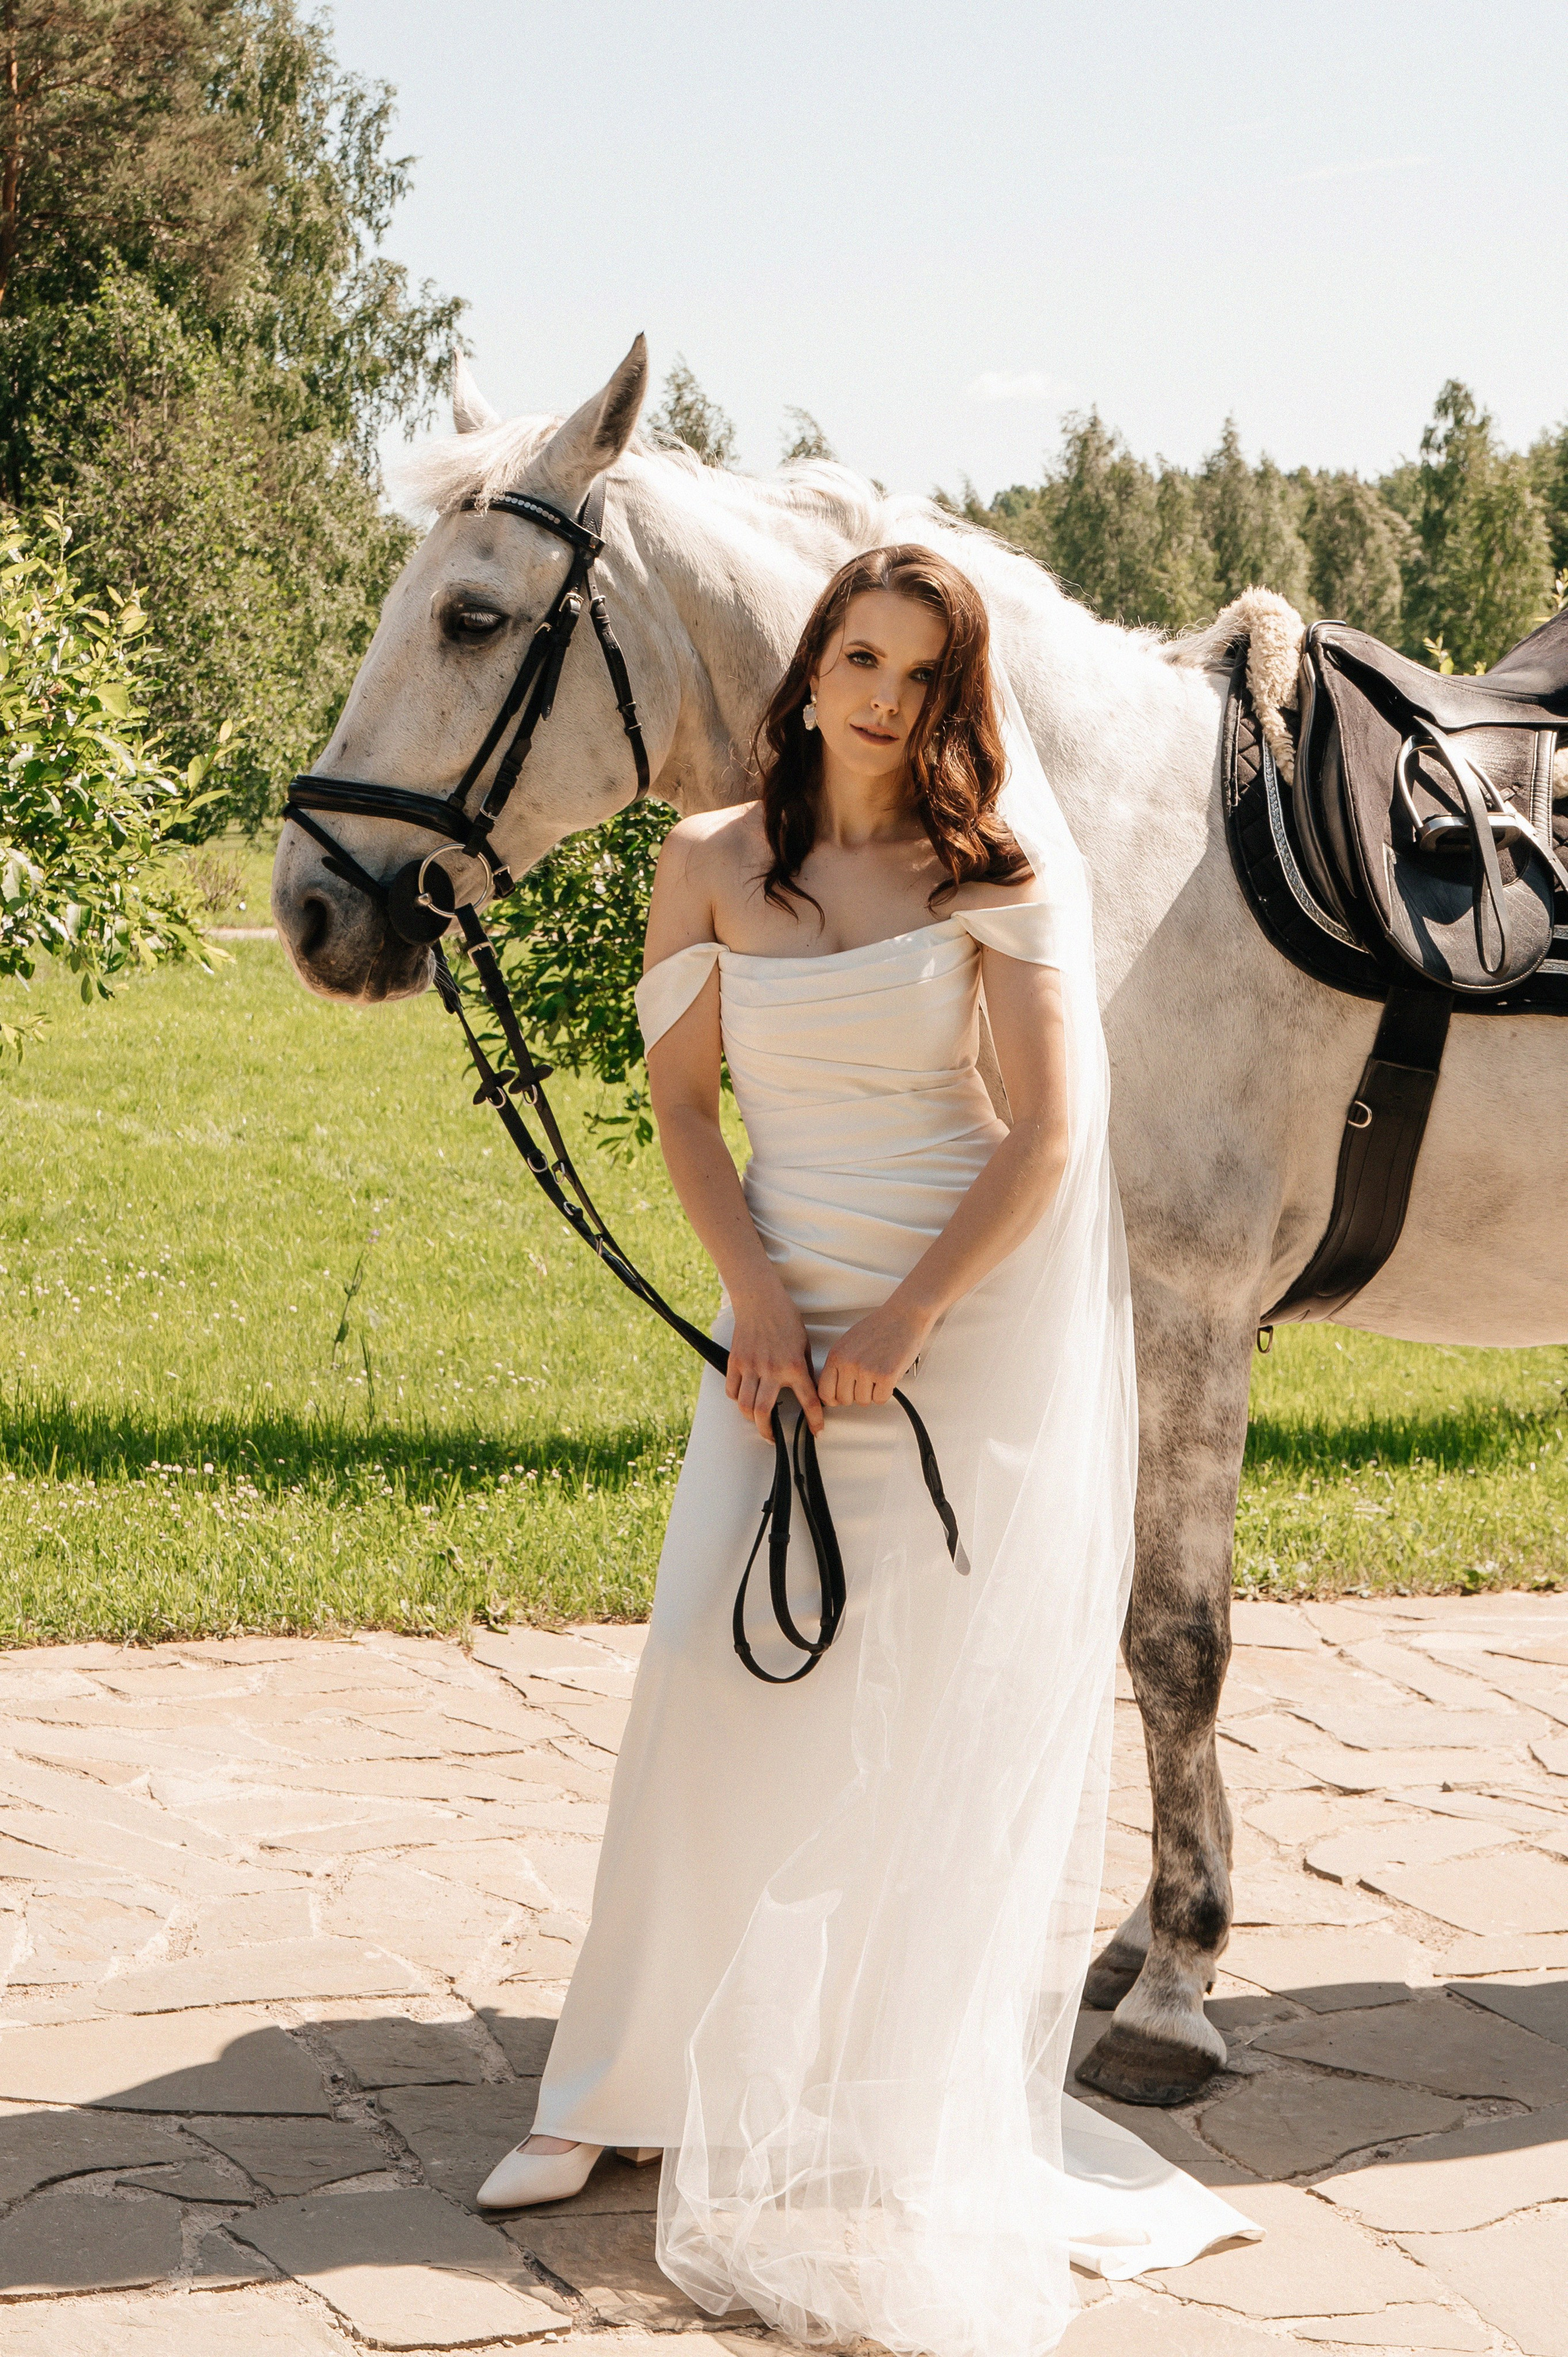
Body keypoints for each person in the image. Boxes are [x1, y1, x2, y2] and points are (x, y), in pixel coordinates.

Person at [475, 546, 1257, 2357]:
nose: (884, 698)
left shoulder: (996, 869)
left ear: (952, 693)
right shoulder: (704, 867)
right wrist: (758, 1298)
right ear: (811, 664)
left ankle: (883, 2081)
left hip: (952, 1318)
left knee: (914, 1702)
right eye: (859, 657)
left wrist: (902, 1322)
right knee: (704, 1663)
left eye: (920, 670)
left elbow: (1051, 1136)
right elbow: (682, 1111)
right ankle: (609, 2084)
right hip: (780, 1306)